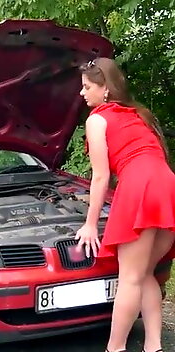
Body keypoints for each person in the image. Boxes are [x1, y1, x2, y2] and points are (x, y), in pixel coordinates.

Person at [75, 57, 175, 352]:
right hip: (167, 185)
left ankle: (114, 348)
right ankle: (154, 346)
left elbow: (101, 176)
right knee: (144, 272)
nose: (82, 93)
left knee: (129, 278)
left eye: (87, 87)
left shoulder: (97, 120)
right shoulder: (137, 115)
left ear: (105, 88)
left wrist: (90, 224)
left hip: (140, 187)